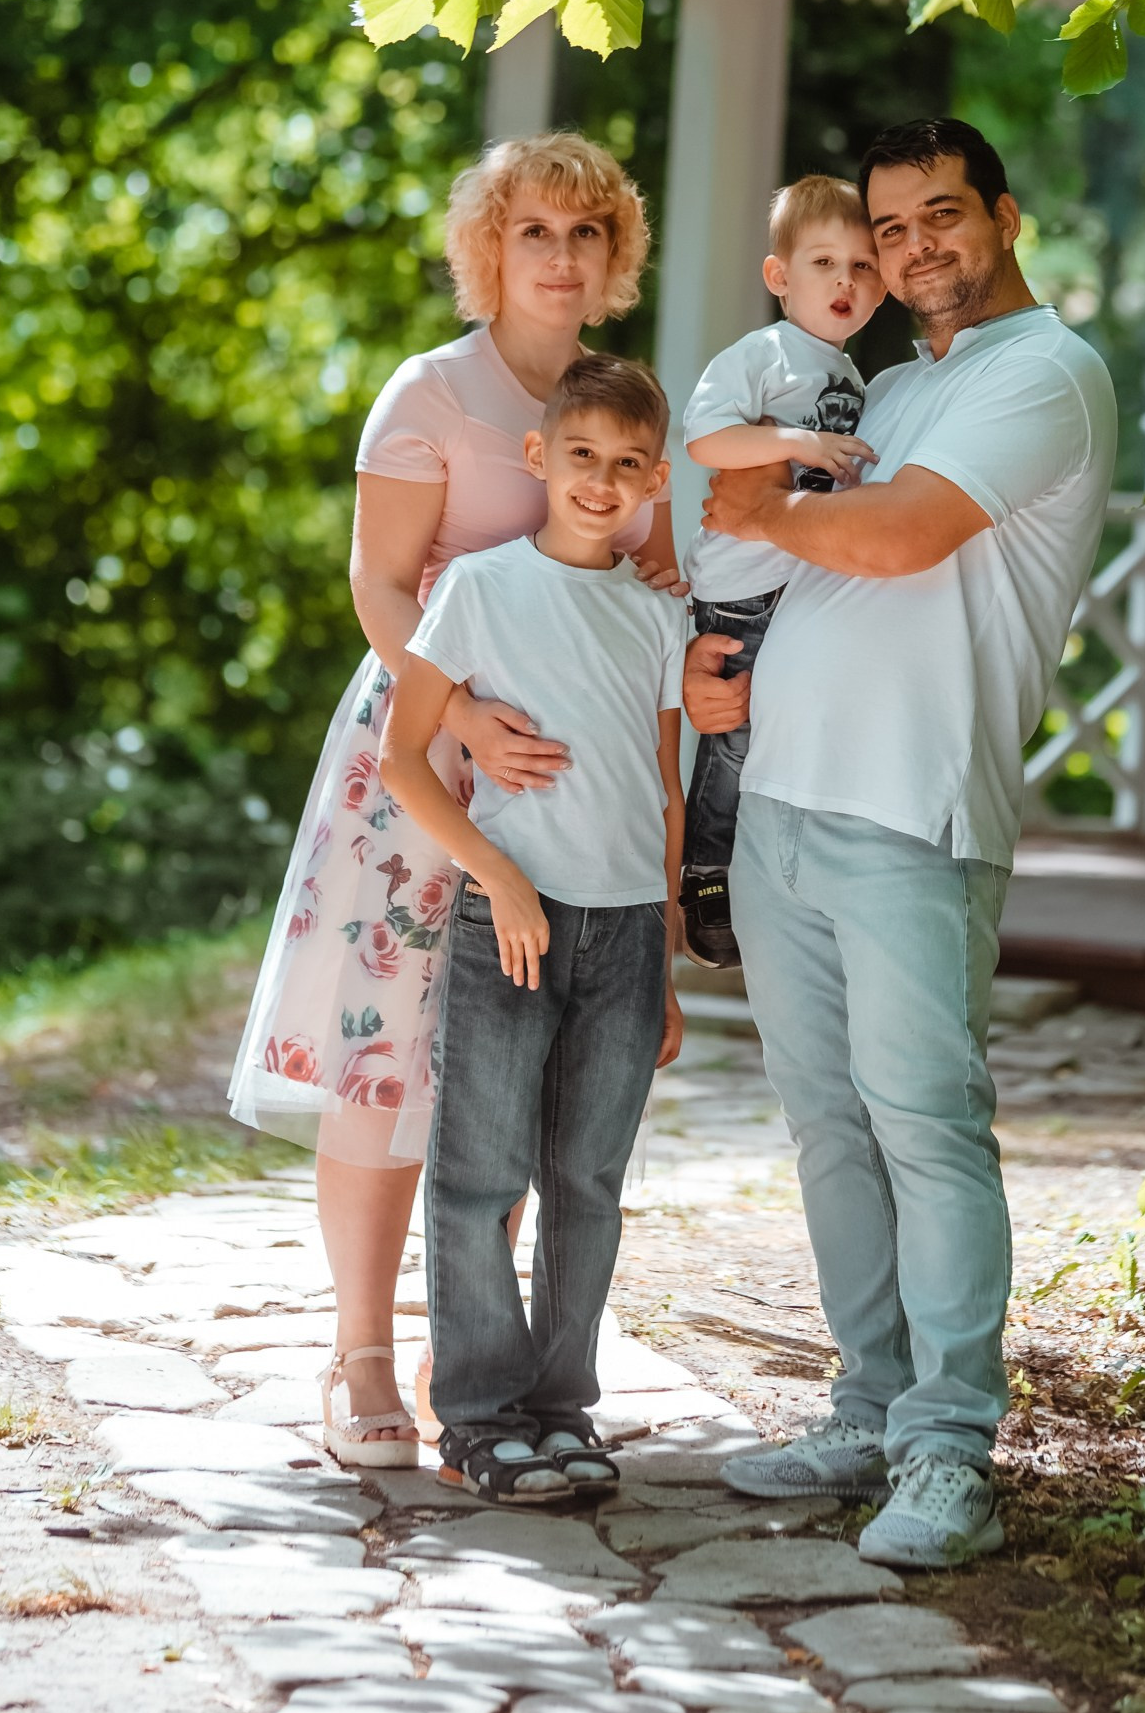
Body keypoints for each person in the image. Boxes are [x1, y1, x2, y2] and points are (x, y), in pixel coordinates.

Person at [691, 117, 1117, 1568]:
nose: (912, 248)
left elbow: (890, 541)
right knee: (829, 1133)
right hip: (784, 804)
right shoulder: (886, 383)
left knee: (927, 1131)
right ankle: (865, 1410)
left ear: (998, 217)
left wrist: (760, 502)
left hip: (912, 817)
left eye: (940, 216)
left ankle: (947, 1454)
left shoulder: (1045, 374)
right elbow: (743, 537)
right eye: (885, 229)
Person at [226, 133, 681, 1469]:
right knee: (392, 1059)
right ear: (489, 245)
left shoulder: (619, 407)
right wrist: (469, 718)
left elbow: (636, 588)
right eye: (533, 230)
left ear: (613, 255)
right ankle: (360, 1352)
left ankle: (471, 1350)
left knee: (518, 1078)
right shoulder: (425, 396)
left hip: (567, 789)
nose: (559, 254)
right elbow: (378, 588)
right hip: (423, 763)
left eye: (584, 232)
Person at [380, 356, 686, 1504]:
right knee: (478, 1174)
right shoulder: (480, 589)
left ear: (653, 478)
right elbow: (406, 758)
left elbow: (662, 794)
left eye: (624, 465)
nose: (600, 483)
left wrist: (661, 969)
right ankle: (478, 1415)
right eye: (581, 457)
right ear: (538, 458)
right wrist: (499, 877)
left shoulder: (657, 613)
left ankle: (561, 1409)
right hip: (509, 923)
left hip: (622, 935)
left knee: (588, 1183)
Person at [676, 176, 883, 967]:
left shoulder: (856, 380)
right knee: (734, 738)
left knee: (789, 737)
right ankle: (706, 874)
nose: (844, 281)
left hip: (805, 584)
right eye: (824, 262)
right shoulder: (762, 355)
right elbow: (706, 441)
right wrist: (794, 446)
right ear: (779, 277)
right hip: (742, 590)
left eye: (863, 267)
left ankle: (780, 883)